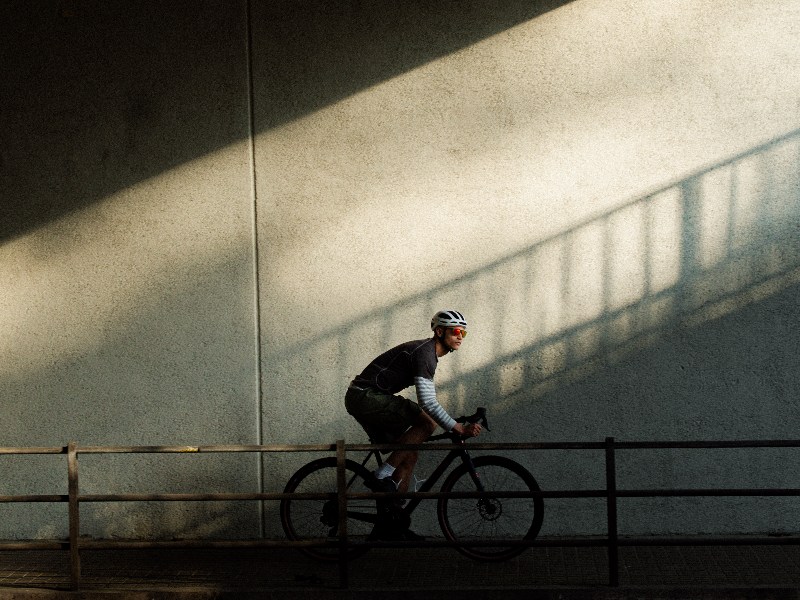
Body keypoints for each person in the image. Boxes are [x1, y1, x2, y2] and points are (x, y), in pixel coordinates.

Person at [344, 310, 482, 539]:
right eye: (456, 331)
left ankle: (393, 523)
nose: (460, 337)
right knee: (427, 424)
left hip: (366, 397)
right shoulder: (425, 354)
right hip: (364, 396)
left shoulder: (428, 354)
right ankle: (382, 475)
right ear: (439, 331)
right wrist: (457, 427)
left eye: (463, 333)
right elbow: (427, 402)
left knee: (409, 455)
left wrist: (453, 422)